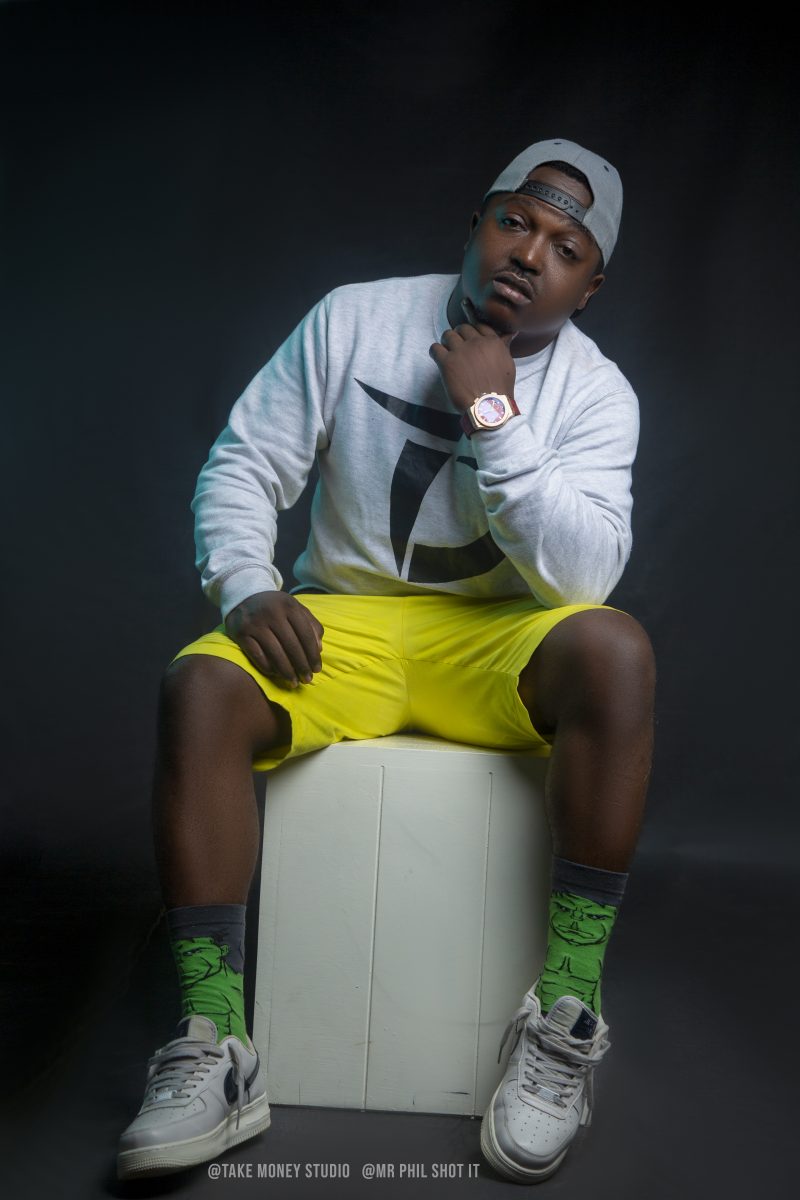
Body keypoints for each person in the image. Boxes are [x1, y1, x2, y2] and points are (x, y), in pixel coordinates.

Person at [117, 137, 655, 1184]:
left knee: (615, 650)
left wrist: (493, 411)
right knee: (202, 685)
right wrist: (248, 584)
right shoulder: (353, 318)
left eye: (565, 247)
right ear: (475, 224)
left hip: (494, 642)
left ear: (590, 287)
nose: (528, 253)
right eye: (514, 221)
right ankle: (213, 1042)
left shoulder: (599, 394)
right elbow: (244, 464)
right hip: (342, 630)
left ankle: (563, 1014)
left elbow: (585, 578)